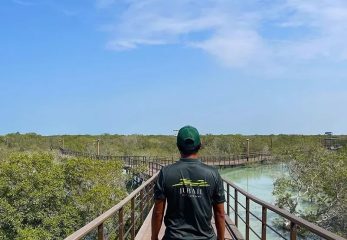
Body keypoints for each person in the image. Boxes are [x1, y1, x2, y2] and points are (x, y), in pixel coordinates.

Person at [151, 125, 225, 240]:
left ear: (178, 146)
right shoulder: (213, 173)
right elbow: (220, 214)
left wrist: (154, 237)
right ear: (199, 146)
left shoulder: (166, 173)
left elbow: (158, 212)